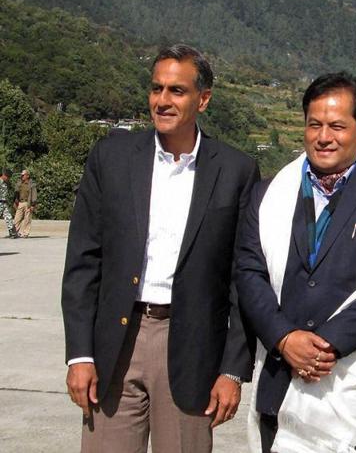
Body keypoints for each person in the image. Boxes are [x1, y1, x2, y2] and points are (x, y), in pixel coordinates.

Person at [61, 44, 260, 452]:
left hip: (191, 350)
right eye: (156, 89)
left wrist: (233, 370)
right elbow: (84, 260)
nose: (163, 101)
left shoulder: (235, 170)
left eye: (177, 91)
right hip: (115, 345)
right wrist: (79, 354)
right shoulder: (112, 158)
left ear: (203, 99)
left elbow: (245, 277)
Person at [235, 72, 356, 453]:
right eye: (314, 125)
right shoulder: (267, 195)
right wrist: (285, 338)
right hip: (281, 375)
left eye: (338, 126)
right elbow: (249, 272)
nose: (324, 137)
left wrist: (327, 345)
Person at [13, 169, 37, 237]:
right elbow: (16, 193)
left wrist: (33, 205)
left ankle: (26, 233)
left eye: (23, 175)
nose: (22, 176)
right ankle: (15, 232)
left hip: (28, 203)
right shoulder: (19, 183)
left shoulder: (32, 184)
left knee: (27, 219)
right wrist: (15, 202)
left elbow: (34, 195)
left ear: (27, 176)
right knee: (17, 218)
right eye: (21, 175)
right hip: (20, 202)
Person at [1, 168, 18, 238]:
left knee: (9, 217)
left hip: (4, 203)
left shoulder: (6, 183)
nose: (9, 179)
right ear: (4, 175)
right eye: (8, 177)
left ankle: (12, 233)